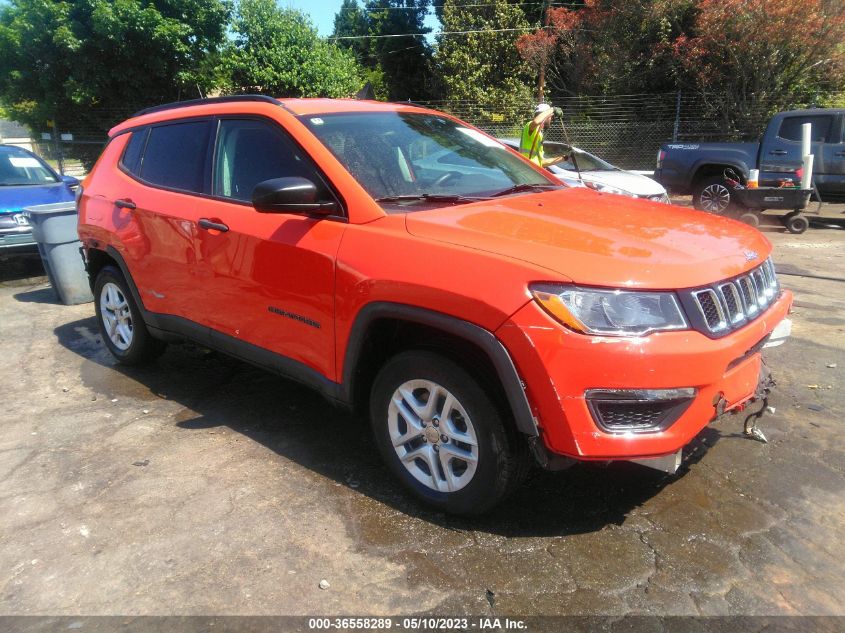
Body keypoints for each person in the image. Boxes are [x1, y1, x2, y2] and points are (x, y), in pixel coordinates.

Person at [519, 103, 565, 168]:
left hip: (532, 171)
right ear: (546, 116)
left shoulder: (538, 134)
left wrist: (564, 158)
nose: (551, 119)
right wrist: (552, 109)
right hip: (528, 171)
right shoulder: (529, 126)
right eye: (550, 117)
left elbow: (540, 163)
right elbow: (536, 122)